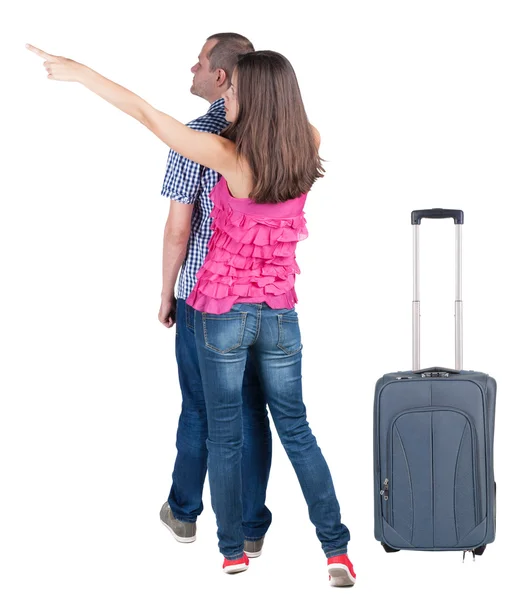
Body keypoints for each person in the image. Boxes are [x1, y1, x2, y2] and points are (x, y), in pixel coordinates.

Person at [26, 43, 356, 587]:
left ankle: (231, 553)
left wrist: (83, 72)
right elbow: (286, 111)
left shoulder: (227, 157)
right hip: (280, 315)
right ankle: (336, 551)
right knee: (296, 430)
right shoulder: (308, 145)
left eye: (232, 91)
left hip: (220, 313)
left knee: (223, 432)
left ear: (252, 98)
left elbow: (146, 116)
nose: (224, 99)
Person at [156, 33, 272, 558]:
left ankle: (184, 513)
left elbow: (179, 228)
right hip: (266, 296)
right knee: (252, 409)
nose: (194, 66)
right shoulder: (276, 132)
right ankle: (251, 525)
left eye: (201, 60)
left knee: (201, 407)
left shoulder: (193, 137)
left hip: (206, 296)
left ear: (221, 76)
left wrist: (167, 291)